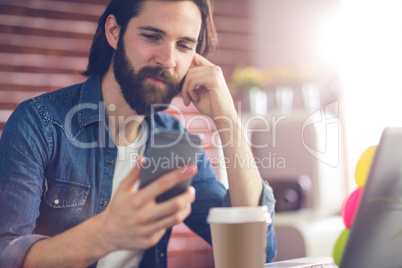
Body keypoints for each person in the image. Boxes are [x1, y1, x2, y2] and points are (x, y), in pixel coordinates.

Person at [0, 0, 276, 267]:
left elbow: (256, 248)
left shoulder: (176, 143)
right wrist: (104, 234)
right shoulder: (40, 123)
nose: (168, 60)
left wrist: (227, 119)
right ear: (114, 31)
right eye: (152, 36)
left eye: (183, 45)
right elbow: (6, 255)